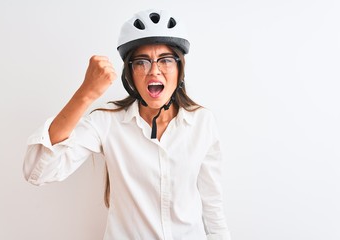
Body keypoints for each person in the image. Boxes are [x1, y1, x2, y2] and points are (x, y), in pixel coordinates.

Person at [23, 9, 231, 240]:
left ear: (180, 68)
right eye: (142, 62)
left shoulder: (202, 121)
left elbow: (212, 207)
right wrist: (85, 94)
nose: (154, 70)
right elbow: (37, 172)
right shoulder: (107, 122)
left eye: (165, 60)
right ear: (129, 74)